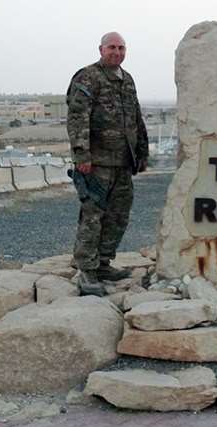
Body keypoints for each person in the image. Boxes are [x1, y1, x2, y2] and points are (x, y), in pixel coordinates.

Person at [66, 32, 148, 296]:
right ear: (101, 49)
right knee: (92, 217)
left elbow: (135, 117)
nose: (117, 52)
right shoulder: (88, 77)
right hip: (97, 163)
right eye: (111, 47)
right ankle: (86, 271)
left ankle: (103, 263)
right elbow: (78, 118)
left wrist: (142, 152)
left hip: (123, 162)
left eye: (121, 47)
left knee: (118, 216)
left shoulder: (127, 80)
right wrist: (82, 156)